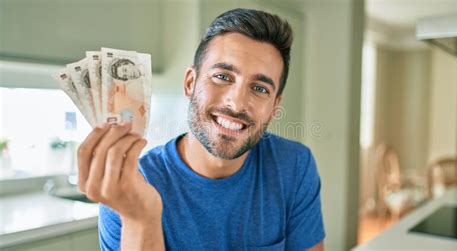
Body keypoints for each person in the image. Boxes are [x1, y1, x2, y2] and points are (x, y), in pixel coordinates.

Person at [77, 8, 325, 251]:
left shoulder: (295, 166)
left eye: (260, 88)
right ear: (190, 83)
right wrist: (141, 220)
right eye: (223, 76)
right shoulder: (129, 190)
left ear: (274, 107)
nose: (237, 103)